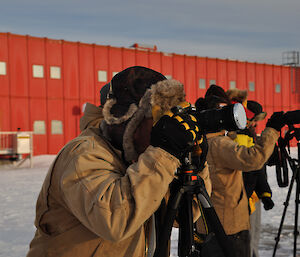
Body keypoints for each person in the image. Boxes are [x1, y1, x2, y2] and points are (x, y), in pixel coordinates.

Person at [26, 66, 210, 257]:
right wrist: (164, 153)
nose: (161, 128)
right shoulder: (83, 154)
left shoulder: (140, 157)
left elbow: (182, 216)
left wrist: (195, 163)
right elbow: (115, 221)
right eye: (157, 119)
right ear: (130, 122)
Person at [195, 85, 283, 257]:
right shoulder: (220, 144)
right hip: (229, 227)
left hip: (206, 224)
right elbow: (254, 159)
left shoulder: (200, 143)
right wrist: (272, 130)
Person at [226, 96, 274, 257]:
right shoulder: (241, 138)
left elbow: (258, 170)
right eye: (254, 120)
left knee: (250, 241)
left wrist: (264, 191)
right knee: (248, 243)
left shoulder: (248, 137)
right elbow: (252, 169)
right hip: (245, 198)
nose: (256, 124)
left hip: (250, 196)